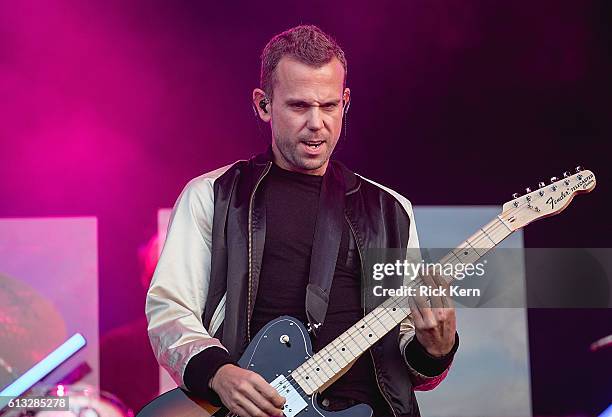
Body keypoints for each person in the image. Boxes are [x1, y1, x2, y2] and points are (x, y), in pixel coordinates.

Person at [146, 24, 458, 417]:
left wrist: (437, 349)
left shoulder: (390, 209)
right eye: (298, 106)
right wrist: (219, 373)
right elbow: (169, 312)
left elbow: (408, 357)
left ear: (345, 102)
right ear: (263, 105)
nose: (317, 123)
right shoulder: (214, 195)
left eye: (329, 106)